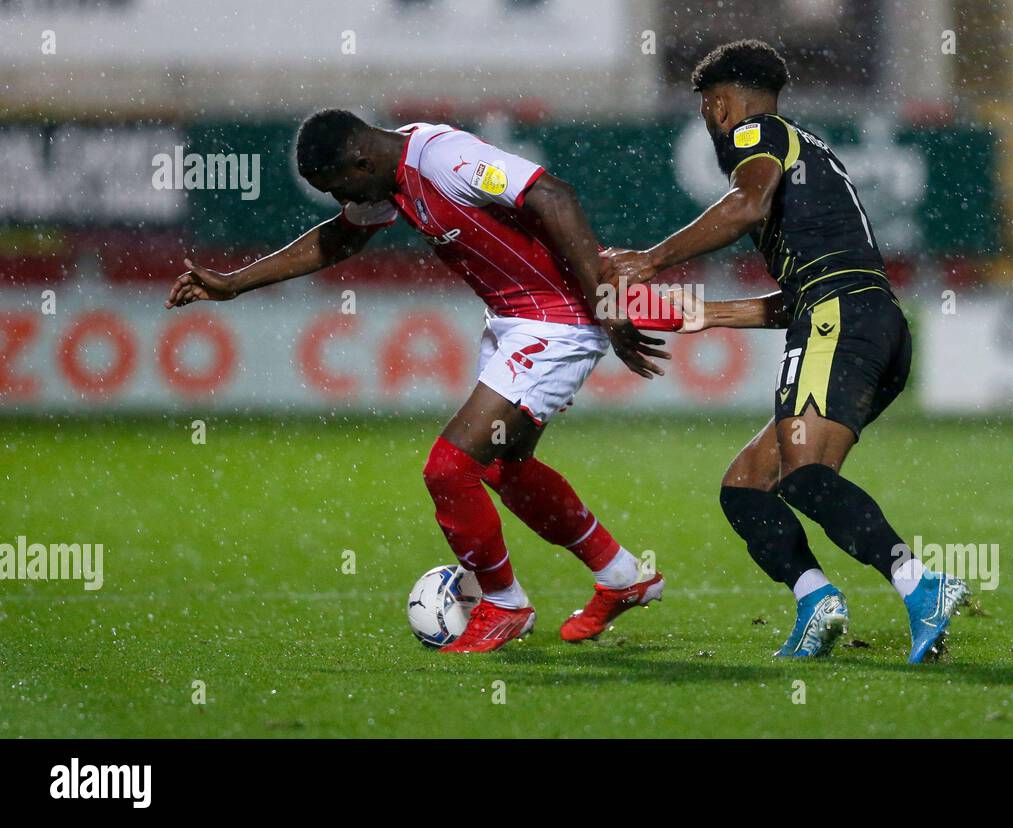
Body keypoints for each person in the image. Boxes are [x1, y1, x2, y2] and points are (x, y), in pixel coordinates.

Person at [166, 110, 667, 652]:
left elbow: (553, 195)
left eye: (339, 186)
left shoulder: (442, 159)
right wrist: (235, 284)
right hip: (512, 321)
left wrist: (604, 302)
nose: (341, 200)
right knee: (503, 467)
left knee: (449, 471)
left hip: (557, 322)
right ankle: (622, 577)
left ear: (361, 161)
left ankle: (503, 604)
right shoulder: (386, 174)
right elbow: (340, 239)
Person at [603, 41, 967, 662]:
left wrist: (651, 259)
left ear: (720, 106)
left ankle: (920, 584)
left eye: (706, 110)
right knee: (747, 485)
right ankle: (815, 599)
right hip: (867, 323)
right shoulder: (811, 152)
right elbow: (815, 285)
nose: (712, 123)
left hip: (841, 321)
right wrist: (714, 315)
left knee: (805, 479)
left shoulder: (757, 133)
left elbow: (745, 207)